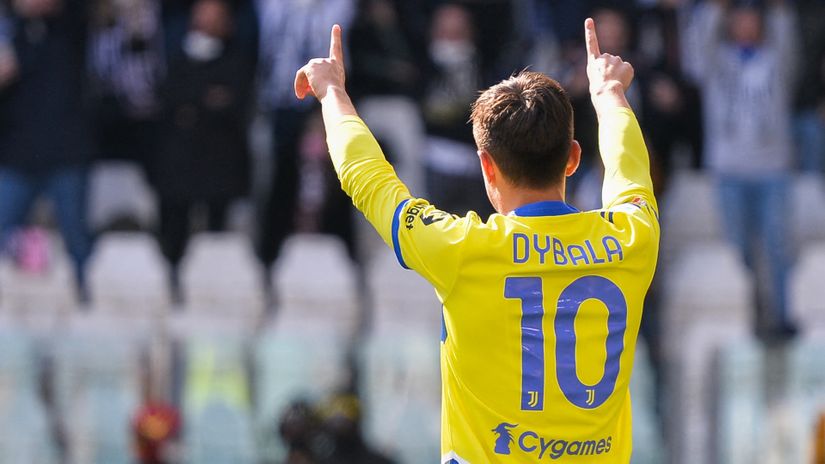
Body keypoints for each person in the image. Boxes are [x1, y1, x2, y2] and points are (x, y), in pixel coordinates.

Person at [294, 17, 659, 463]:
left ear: (487, 166)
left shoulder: (463, 248)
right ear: (573, 158)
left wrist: (333, 92)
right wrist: (609, 94)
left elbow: (368, 179)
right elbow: (629, 173)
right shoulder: (632, 237)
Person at [683, 0, 797, 336]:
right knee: (737, 252)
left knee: (778, 247)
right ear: (730, 23)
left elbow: (784, 26)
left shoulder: (777, 57)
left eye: (752, 19)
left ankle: (781, 318)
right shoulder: (716, 59)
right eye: (740, 19)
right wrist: (715, 10)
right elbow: (695, 54)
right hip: (728, 169)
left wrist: (778, 13)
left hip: (773, 168)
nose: (746, 25)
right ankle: (746, 319)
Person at [154, 0, 254, 274]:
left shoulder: (238, 59)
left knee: (216, 239)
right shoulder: (175, 55)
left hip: (220, 167)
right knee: (173, 233)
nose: (207, 20)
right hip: (179, 167)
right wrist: (206, 98)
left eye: (215, 14)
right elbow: (168, 98)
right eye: (203, 12)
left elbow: (235, 102)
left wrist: (194, 106)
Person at [0, 0, 92, 295]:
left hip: (66, 153)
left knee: (77, 238)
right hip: (16, 153)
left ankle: (87, 298)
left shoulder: (69, 27)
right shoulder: (9, 31)